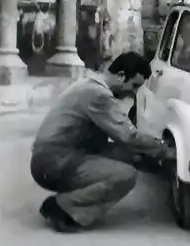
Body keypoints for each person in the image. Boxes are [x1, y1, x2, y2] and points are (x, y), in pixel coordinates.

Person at [30, 52, 175, 233]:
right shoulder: (98, 95)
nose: (134, 92)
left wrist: (144, 155)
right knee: (125, 175)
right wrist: (163, 150)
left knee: (131, 155)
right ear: (121, 76)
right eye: (134, 85)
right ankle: (63, 207)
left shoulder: (92, 83)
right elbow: (128, 136)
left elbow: (120, 140)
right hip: (52, 163)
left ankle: (69, 200)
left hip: (58, 156)